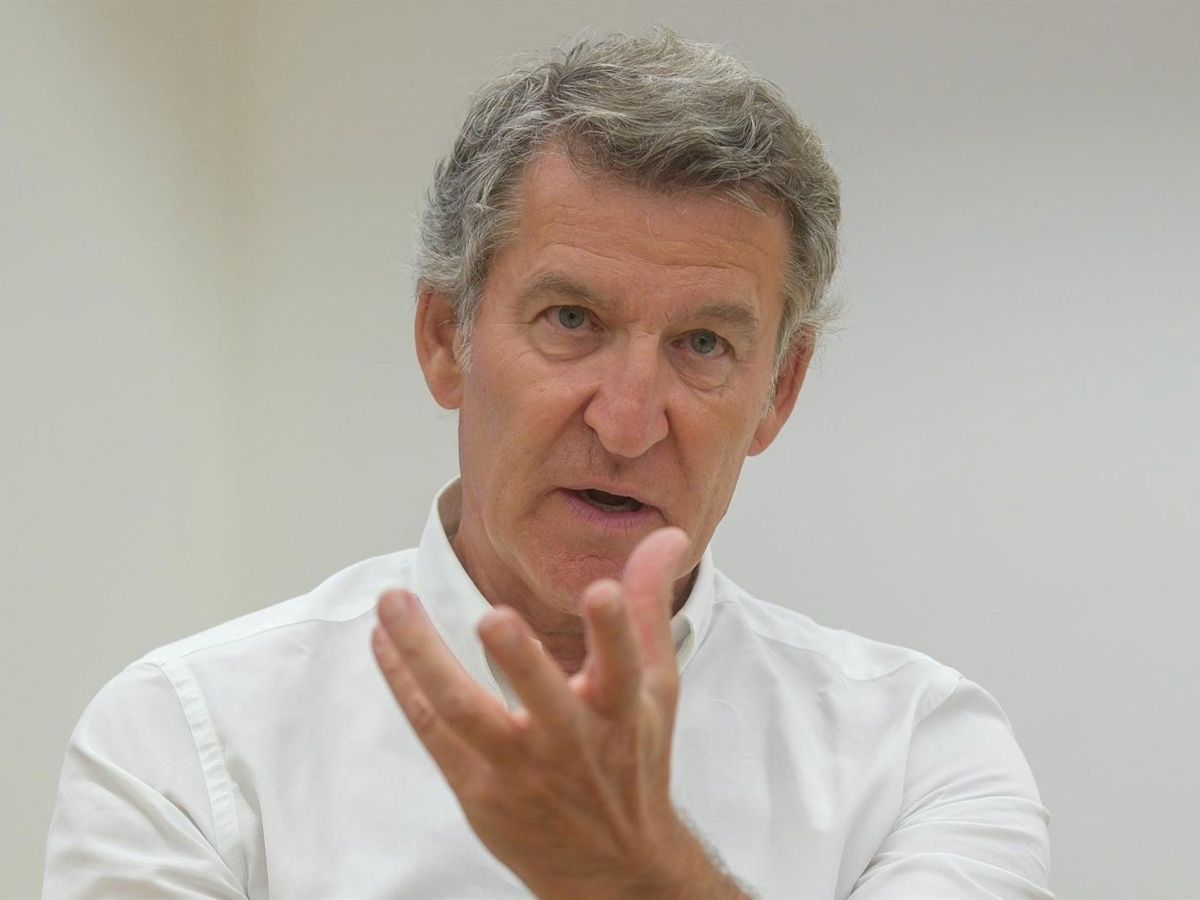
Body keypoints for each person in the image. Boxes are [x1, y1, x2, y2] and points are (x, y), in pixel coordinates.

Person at [43, 31, 1052, 899]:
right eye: (572, 320)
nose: (627, 423)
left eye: (704, 344)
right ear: (444, 339)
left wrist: (634, 871)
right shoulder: (187, 740)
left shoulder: (920, 751)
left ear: (779, 391)